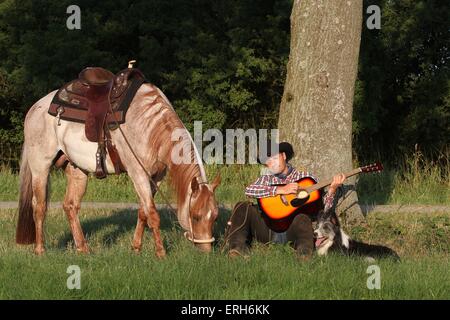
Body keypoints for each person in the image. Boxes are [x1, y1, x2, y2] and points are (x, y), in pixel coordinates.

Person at [226, 140, 345, 260]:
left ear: (283, 156)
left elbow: (322, 209)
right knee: (242, 206)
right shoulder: (266, 179)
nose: (271, 163)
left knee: (303, 217)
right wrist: (280, 190)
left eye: (274, 158)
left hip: (292, 230)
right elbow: (249, 190)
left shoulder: (305, 178)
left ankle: (304, 254)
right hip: (267, 230)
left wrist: (332, 190)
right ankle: (238, 249)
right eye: (267, 161)